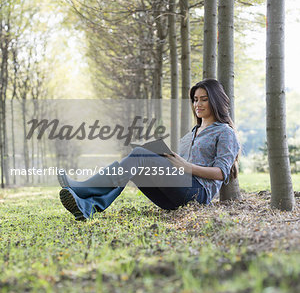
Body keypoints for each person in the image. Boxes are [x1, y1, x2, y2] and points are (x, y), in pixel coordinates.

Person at [58, 79, 240, 221]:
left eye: (204, 100)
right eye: (195, 100)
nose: (197, 104)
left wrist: (186, 167)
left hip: (198, 194)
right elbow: (178, 167)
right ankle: (88, 206)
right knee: (137, 164)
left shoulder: (225, 132)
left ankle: (84, 189)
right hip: (175, 195)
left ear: (214, 101)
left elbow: (221, 173)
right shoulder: (192, 133)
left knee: (139, 156)